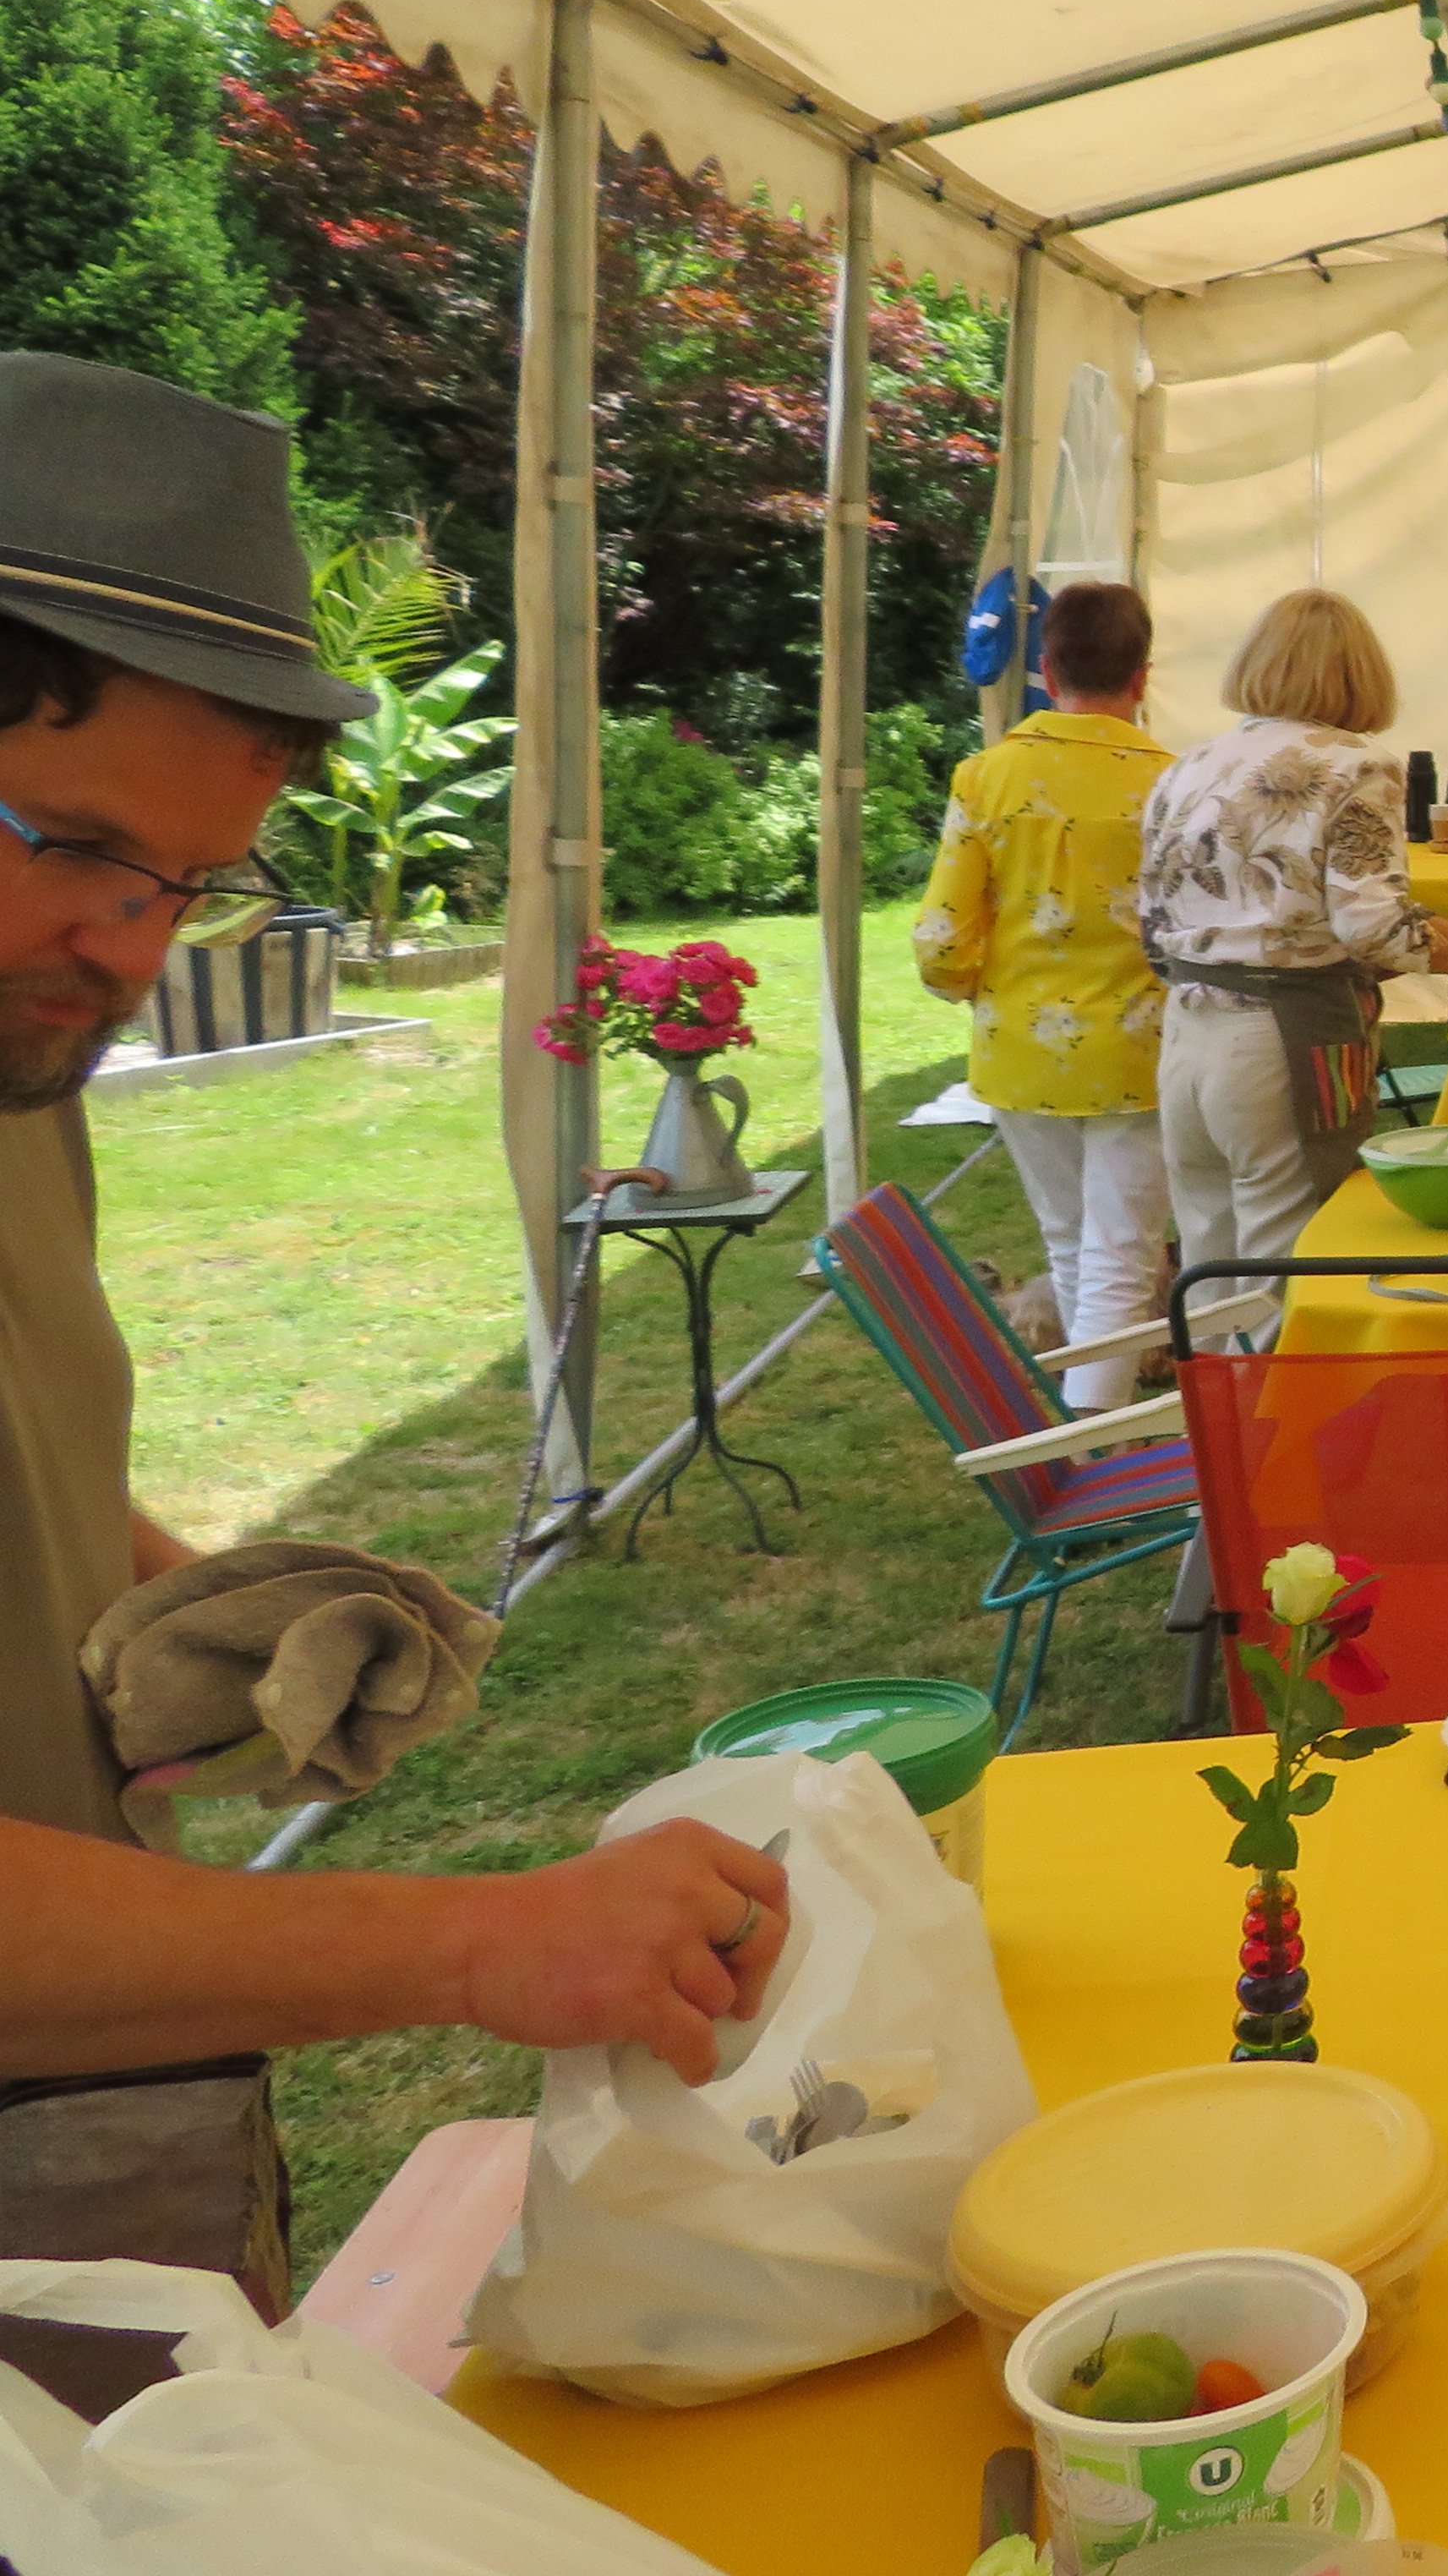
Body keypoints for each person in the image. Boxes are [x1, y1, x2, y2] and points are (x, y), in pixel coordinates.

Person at [0, 358, 784, 2325]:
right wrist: (477, 1945)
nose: (129, 946)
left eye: (187, 886)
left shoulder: (17, 1058)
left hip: (100, 2132)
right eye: (75, 845)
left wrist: (194, 1613)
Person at [1136, 590, 1448, 1313]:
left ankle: (1216, 1390)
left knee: (1210, 1266)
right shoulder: (1354, 764)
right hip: (1284, 1038)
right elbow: (1376, 928)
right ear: (1361, 674)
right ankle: (1278, 1390)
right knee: (1289, 1268)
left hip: (1187, 1031)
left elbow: (1152, 923)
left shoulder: (1188, 766)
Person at [913, 581, 1170, 1408]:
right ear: (1143, 677)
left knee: (1071, 1244)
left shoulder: (986, 776)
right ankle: (1094, 1439)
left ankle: (1087, 1431)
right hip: (1141, 1049)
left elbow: (942, 940)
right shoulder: (1172, 783)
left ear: (1048, 670)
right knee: (1123, 1257)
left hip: (1020, 1050)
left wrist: (975, 990)